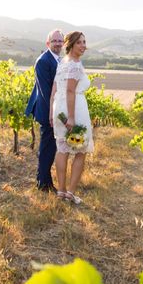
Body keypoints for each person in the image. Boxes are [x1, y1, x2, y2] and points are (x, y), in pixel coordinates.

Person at [49, 31, 94, 205]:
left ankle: (61, 190)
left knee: (62, 148)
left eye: (84, 42)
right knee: (80, 150)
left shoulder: (62, 62)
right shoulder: (74, 64)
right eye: (79, 43)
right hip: (73, 109)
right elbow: (69, 91)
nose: (83, 46)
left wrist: (51, 112)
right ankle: (70, 193)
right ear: (71, 44)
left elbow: (55, 88)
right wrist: (72, 118)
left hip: (59, 108)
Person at [25, 29, 64, 192]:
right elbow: (46, 91)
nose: (57, 43)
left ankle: (45, 181)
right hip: (47, 111)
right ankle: (42, 184)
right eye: (54, 41)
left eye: (60, 41)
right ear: (48, 43)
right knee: (47, 147)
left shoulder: (58, 59)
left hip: (54, 109)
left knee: (50, 147)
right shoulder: (43, 61)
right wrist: (53, 114)